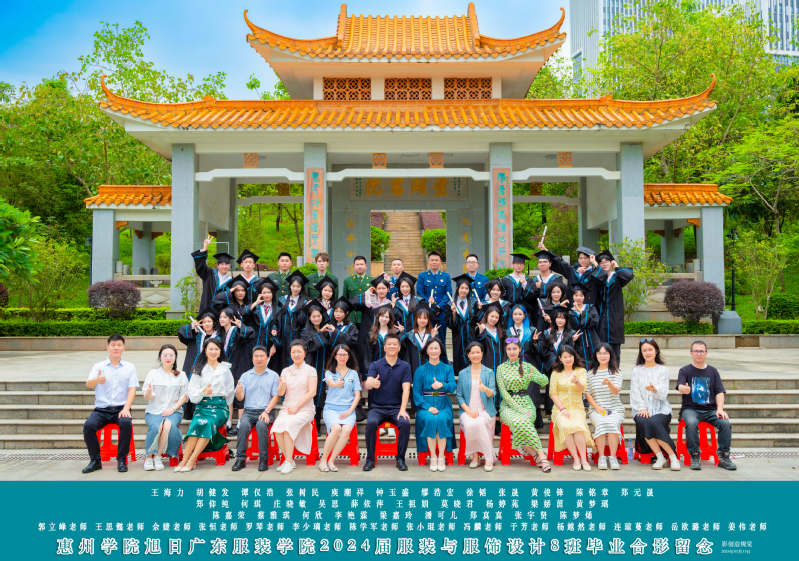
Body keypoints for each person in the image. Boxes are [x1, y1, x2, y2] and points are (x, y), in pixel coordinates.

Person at [82, 334, 139, 474]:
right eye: (113, 345)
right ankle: (95, 460)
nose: (116, 348)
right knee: (88, 426)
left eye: (119, 345)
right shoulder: (99, 366)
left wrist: (126, 408)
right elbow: (89, 384)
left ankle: (121, 459)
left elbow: (132, 389)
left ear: (123, 348)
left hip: (121, 408)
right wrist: (97, 380)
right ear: (108, 347)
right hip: (101, 410)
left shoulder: (130, 367)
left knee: (126, 424)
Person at [175, 338, 234, 472]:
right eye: (210, 349)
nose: (213, 352)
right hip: (202, 406)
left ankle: (192, 460)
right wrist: (203, 392)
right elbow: (192, 393)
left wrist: (219, 396)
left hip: (220, 408)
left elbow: (230, 392)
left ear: (220, 351)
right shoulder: (198, 369)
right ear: (205, 351)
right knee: (196, 423)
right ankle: (184, 460)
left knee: (207, 422)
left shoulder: (225, 369)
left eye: (216, 349)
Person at [677, 341, 737, 470]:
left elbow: (720, 392)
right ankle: (694, 455)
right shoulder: (684, 370)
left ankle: (724, 456)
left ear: (706, 353)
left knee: (725, 423)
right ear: (691, 353)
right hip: (690, 409)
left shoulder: (713, 371)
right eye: (696, 351)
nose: (698, 354)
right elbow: (680, 386)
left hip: (710, 410)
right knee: (691, 423)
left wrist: (720, 409)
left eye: (701, 351)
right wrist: (684, 389)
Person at [496, 338, 551, 472]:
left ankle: (536, 454)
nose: (512, 352)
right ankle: (539, 455)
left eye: (515, 349)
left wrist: (534, 375)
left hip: (526, 403)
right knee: (520, 421)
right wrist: (519, 409)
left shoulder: (527, 366)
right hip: (508, 405)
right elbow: (503, 393)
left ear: (520, 349)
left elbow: (544, 381)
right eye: (509, 349)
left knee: (523, 422)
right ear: (505, 350)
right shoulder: (501, 368)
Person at [363, 333, 412, 471]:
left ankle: (400, 458)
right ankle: (370, 459)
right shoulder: (375, 365)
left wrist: (402, 410)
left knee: (404, 423)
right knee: (371, 423)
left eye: (394, 344)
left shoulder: (405, 366)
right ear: (384, 347)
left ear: (399, 347)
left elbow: (406, 389)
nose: (392, 346)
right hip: (377, 408)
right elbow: (368, 384)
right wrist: (372, 383)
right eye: (389, 344)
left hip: (397, 408)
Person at [630, 339, 680, 471]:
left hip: (661, 409)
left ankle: (673, 458)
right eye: (644, 350)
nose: (647, 353)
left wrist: (655, 389)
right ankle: (660, 457)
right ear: (641, 353)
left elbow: (663, 392)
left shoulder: (663, 370)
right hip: (641, 409)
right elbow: (635, 391)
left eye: (650, 350)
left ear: (656, 351)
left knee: (654, 422)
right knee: (644, 421)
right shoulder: (636, 370)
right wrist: (642, 408)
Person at [271, 340, 318, 475]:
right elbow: (281, 393)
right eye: (293, 352)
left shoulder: (311, 370)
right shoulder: (286, 371)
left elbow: (312, 392)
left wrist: (297, 406)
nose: (296, 354)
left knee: (288, 426)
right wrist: (281, 387)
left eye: (299, 351)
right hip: (287, 407)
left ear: (305, 353)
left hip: (305, 408)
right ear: (290, 354)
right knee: (277, 428)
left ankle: (287, 461)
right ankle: (289, 460)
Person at [231, 345, 280, 472]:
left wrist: (266, 412)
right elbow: (240, 398)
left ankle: (263, 459)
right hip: (249, 411)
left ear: (267, 358)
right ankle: (240, 459)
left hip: (267, 410)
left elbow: (276, 397)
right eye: (256, 356)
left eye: (261, 356)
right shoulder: (245, 376)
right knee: (243, 426)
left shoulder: (273, 375)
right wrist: (238, 391)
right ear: (252, 358)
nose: (259, 358)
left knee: (261, 425)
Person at [413, 338, 457, 472]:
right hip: (425, 404)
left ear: (441, 350)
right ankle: (433, 457)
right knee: (431, 419)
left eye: (436, 348)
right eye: (431, 348)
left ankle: (441, 457)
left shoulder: (448, 368)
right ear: (426, 350)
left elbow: (452, 387)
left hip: (444, 404)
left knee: (442, 419)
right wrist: (428, 407)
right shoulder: (420, 370)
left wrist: (442, 385)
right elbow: (416, 393)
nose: (433, 351)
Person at [142, 344, 188, 471]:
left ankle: (157, 457)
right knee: (157, 425)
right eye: (165, 355)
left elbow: (184, 396)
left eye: (171, 355)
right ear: (160, 357)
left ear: (175, 357)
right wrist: (149, 392)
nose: (168, 358)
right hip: (153, 411)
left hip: (174, 412)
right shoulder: (153, 374)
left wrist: (173, 409)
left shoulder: (181, 375)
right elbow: (148, 397)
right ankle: (149, 457)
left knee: (168, 424)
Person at [549, 345, 595, 471]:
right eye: (565, 357)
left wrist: (576, 382)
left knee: (578, 427)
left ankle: (584, 459)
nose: (568, 359)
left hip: (577, 408)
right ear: (560, 358)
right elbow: (553, 393)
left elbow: (582, 389)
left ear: (574, 357)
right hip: (560, 409)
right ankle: (576, 458)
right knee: (566, 426)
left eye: (570, 356)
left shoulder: (581, 371)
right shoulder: (556, 373)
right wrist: (562, 408)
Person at [319, 344, 362, 472]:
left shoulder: (353, 373)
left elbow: (357, 395)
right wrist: (336, 384)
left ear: (349, 356)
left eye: (344, 355)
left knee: (346, 429)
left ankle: (331, 460)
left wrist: (350, 411)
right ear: (335, 356)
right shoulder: (329, 372)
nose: (342, 357)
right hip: (331, 408)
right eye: (339, 355)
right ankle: (323, 461)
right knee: (336, 428)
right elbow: (330, 382)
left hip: (348, 409)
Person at [456, 341, 497, 471]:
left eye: (478, 352)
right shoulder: (463, 373)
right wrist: (468, 411)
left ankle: (488, 458)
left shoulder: (489, 372)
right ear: (468, 355)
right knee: (470, 424)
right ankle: (475, 457)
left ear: (482, 354)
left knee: (480, 423)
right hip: (468, 410)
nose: (475, 355)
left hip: (485, 410)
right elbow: (459, 396)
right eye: (472, 353)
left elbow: (493, 393)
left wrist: (485, 389)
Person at [585, 343, 625, 470]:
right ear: (596, 356)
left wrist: (609, 383)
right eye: (600, 353)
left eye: (605, 353)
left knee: (612, 423)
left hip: (615, 409)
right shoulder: (590, 374)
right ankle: (601, 456)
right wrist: (597, 407)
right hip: (596, 410)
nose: (602, 356)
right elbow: (587, 394)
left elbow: (616, 391)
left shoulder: (616, 372)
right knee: (601, 423)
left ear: (610, 355)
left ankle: (613, 457)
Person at [176, 307, 219, 420]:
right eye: (204, 322)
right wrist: (192, 326)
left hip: (212, 367)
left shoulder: (219, 336)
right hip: (196, 365)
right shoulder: (196, 335)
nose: (206, 324)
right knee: (193, 386)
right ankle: (190, 412)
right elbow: (181, 333)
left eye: (209, 321)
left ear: (214, 323)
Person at [218, 307, 254, 437]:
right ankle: (228, 423)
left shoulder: (236, 330)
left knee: (240, 394)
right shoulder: (221, 333)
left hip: (239, 366)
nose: (222, 319)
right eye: (220, 317)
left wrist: (240, 325)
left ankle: (240, 424)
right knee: (228, 394)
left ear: (231, 319)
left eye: (225, 317)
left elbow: (249, 334)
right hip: (227, 368)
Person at [300, 300, 335, 435]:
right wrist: (320, 332)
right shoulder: (305, 332)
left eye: (319, 316)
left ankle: (317, 425)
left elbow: (329, 346)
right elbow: (310, 346)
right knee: (309, 395)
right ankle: (308, 424)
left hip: (323, 367)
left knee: (320, 395)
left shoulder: (327, 331)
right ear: (309, 318)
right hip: (310, 366)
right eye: (313, 316)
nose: (316, 318)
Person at [594, 250, 634, 360]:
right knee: (600, 349)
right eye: (601, 262)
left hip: (615, 318)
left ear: (611, 263)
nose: (604, 264)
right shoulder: (597, 278)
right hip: (601, 319)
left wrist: (616, 266)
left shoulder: (617, 277)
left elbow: (628, 276)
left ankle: (615, 370)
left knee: (615, 352)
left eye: (606, 261)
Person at [415, 250, 452, 348]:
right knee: (427, 340)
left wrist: (439, 307)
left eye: (436, 260)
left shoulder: (446, 276)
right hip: (427, 314)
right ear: (428, 261)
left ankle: (443, 358)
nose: (434, 262)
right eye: (432, 260)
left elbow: (448, 294)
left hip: (441, 314)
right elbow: (420, 293)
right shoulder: (422, 276)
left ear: (440, 262)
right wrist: (430, 306)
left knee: (441, 341)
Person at [446, 274, 478, 377]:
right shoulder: (450, 304)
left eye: (466, 288)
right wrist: (454, 313)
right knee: (459, 358)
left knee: (472, 356)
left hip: (471, 336)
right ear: (457, 288)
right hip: (457, 337)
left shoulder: (474, 302)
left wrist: (481, 309)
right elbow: (450, 324)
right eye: (462, 288)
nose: (464, 290)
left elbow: (477, 319)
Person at [276, 270, 309, 370]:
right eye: (293, 286)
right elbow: (277, 319)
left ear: (301, 287)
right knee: (282, 362)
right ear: (290, 286)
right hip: (283, 337)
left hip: (297, 336)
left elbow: (304, 322)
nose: (295, 288)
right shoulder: (282, 300)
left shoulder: (304, 303)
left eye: (298, 286)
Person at [245, 278, 280, 368]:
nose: (267, 295)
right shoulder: (255, 308)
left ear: (273, 293)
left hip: (269, 344)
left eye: (269, 292)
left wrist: (274, 345)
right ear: (260, 294)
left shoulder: (278, 309)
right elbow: (244, 314)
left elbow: (280, 328)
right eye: (264, 292)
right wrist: (256, 302)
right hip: (254, 342)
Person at [192, 236, 233, 312]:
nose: (224, 266)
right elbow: (201, 266)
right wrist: (205, 248)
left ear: (230, 266)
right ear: (217, 265)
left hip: (221, 314)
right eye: (222, 264)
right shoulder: (209, 273)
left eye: (227, 264)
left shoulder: (231, 282)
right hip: (206, 312)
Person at [401, 302, 442, 377]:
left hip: (431, 370)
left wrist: (433, 337)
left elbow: (438, 352)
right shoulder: (410, 335)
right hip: (415, 368)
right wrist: (402, 333)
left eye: (425, 318)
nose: (422, 320)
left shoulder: (433, 334)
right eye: (420, 318)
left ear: (428, 320)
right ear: (416, 319)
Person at [568, 283, 600, 369]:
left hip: (592, 340)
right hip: (579, 343)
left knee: (596, 365)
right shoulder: (569, 312)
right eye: (576, 295)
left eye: (581, 295)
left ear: (584, 297)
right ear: (572, 296)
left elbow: (595, 321)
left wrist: (580, 311)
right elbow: (569, 327)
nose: (578, 298)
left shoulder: (591, 308)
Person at [342, 255, 374, 325]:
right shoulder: (348, 280)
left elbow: (375, 300)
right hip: (352, 316)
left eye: (361, 264)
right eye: (357, 264)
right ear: (354, 267)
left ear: (366, 266)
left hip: (366, 316)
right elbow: (345, 300)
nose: (359, 266)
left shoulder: (372, 280)